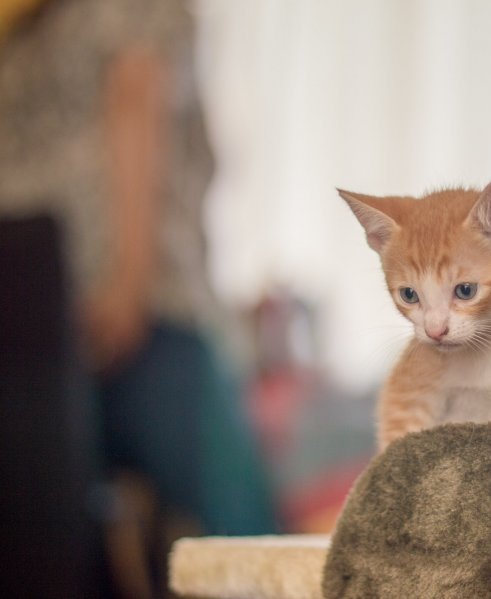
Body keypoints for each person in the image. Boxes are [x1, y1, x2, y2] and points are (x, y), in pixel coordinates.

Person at [0, 0, 276, 595]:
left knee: (51, 540)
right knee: (242, 539)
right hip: (133, 299)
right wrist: (129, 278)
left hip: (26, 299)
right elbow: (134, 98)